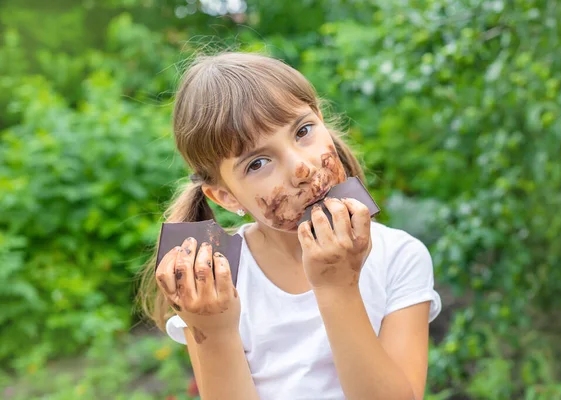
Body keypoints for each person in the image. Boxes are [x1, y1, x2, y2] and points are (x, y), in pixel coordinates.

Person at [137, 51, 442, 400]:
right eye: (258, 163)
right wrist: (215, 332)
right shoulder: (219, 280)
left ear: (322, 120)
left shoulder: (399, 257)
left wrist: (338, 287)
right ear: (226, 197)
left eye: (303, 130)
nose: (303, 168)